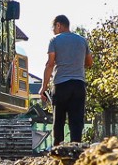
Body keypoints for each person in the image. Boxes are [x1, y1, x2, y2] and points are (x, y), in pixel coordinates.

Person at [38, 14, 92, 146]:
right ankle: (76, 149)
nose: (53, 31)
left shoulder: (55, 40)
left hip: (61, 85)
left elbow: (50, 64)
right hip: (79, 85)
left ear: (58, 25)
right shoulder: (82, 40)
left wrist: (43, 87)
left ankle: (58, 149)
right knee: (76, 121)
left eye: (54, 28)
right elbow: (90, 62)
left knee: (59, 120)